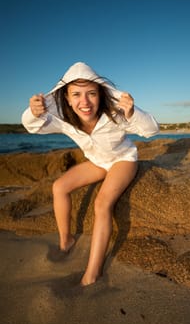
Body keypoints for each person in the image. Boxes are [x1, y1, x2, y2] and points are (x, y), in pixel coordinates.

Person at [22, 62, 159, 286]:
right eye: (76, 94)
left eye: (91, 94)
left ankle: (92, 274)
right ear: (66, 98)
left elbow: (152, 129)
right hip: (97, 162)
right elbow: (32, 126)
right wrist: (32, 113)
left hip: (122, 160)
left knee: (101, 204)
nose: (84, 102)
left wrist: (133, 112)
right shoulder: (63, 119)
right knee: (59, 187)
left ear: (100, 94)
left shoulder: (115, 114)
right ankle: (66, 241)